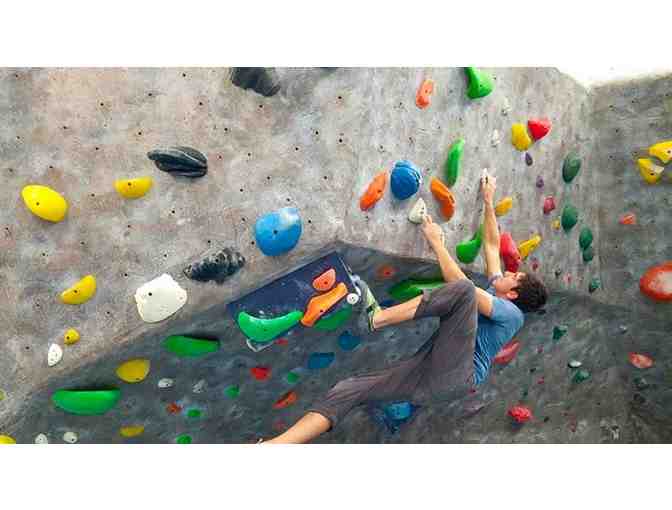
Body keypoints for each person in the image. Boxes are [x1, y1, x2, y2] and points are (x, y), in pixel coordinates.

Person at [261, 171, 548, 443]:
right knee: (348, 390)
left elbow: (462, 288)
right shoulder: (499, 291)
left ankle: (376, 318)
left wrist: (436, 243)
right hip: (433, 375)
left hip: (457, 375)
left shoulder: (512, 315)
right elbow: (492, 246)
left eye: (515, 277)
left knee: (463, 291)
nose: (509, 273)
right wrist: (487, 199)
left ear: (512, 295)